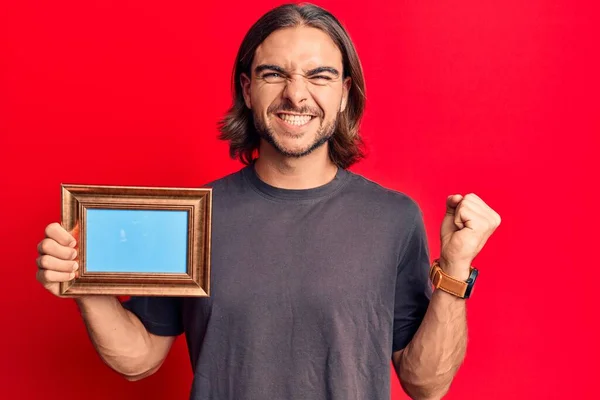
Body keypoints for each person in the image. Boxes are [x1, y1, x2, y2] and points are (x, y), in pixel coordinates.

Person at [36, 3, 501, 400]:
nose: (296, 94)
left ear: (344, 94)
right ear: (247, 88)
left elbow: (427, 384)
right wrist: (86, 285)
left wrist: (455, 269)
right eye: (273, 73)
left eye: (320, 76)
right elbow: (139, 359)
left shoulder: (394, 219)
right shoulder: (192, 217)